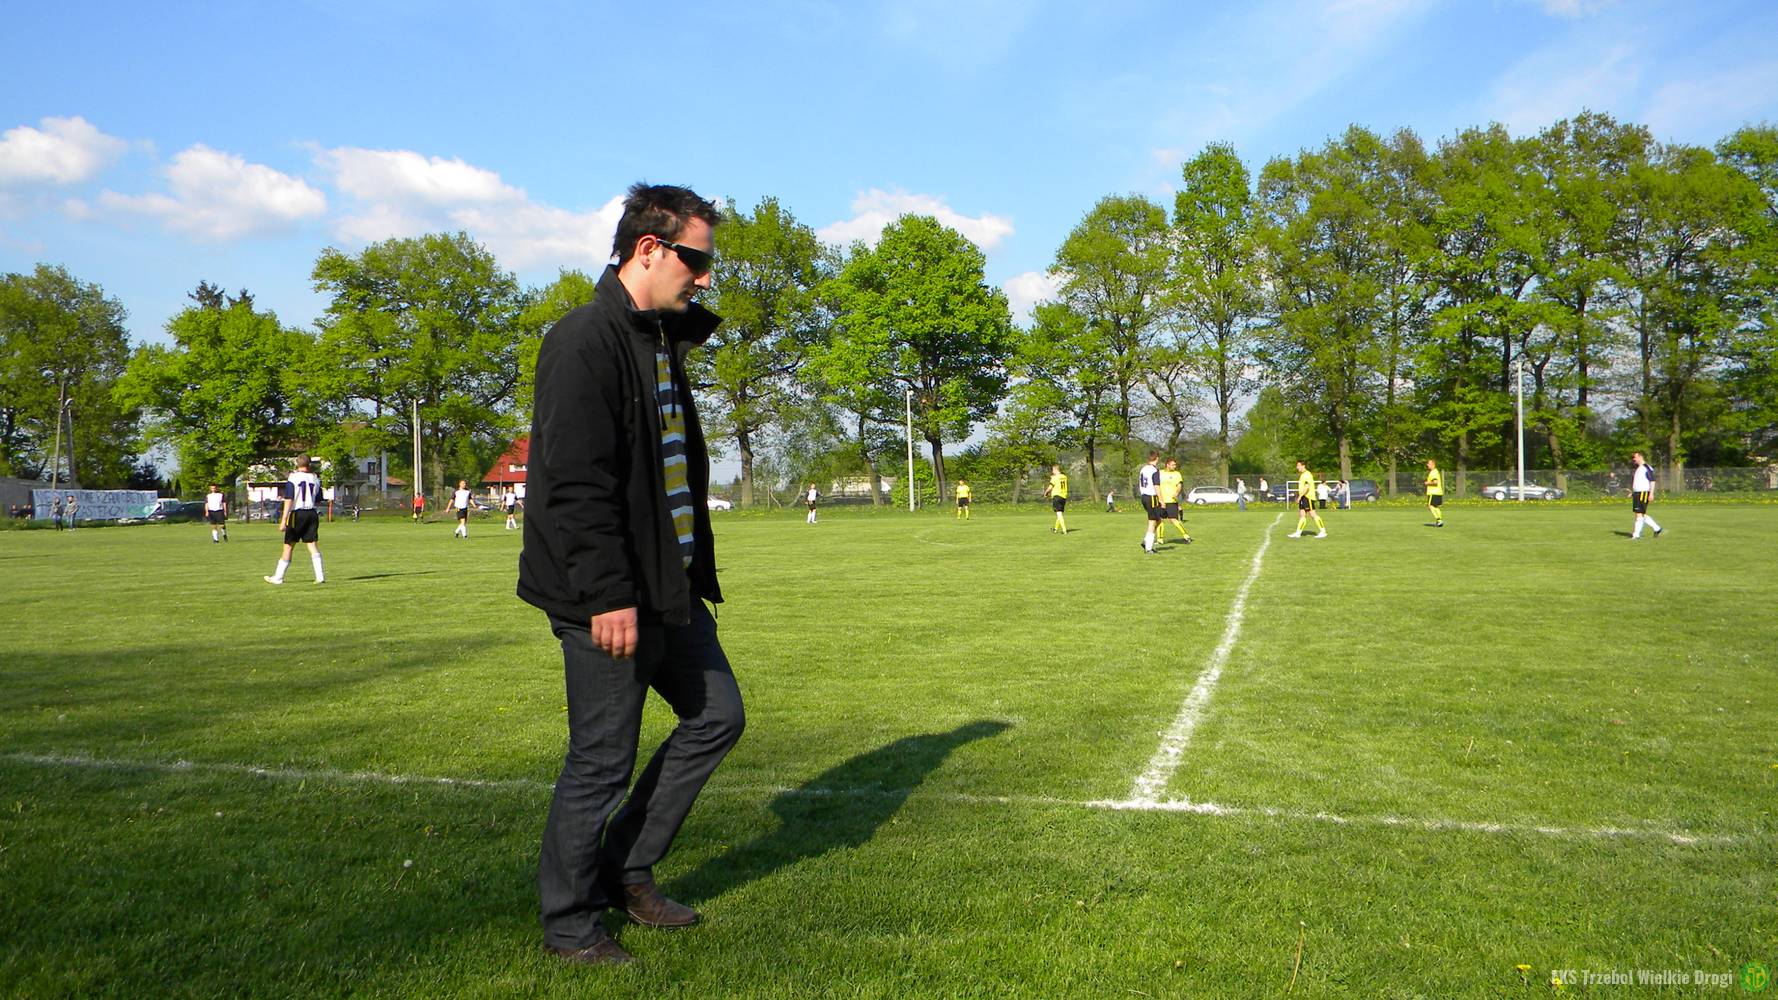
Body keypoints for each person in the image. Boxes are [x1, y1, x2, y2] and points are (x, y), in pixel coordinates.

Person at [517, 183, 742, 968]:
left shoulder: (656, 339)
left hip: (667, 584)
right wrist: (607, 595)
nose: (705, 278)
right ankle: (569, 924)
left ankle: (625, 869)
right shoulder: (584, 341)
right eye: (696, 261)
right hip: (608, 594)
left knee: (717, 716)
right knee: (601, 759)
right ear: (649, 249)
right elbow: (575, 485)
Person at [264, 457, 325, 584]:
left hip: (297, 514)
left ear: (297, 463)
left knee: (288, 546)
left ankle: (278, 577)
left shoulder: (293, 477)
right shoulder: (315, 478)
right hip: (312, 513)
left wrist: (283, 519)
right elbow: (319, 498)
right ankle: (320, 577)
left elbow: (289, 499)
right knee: (312, 544)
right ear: (309, 464)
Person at [1156, 459, 1193, 545]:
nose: (1174, 466)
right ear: (1167, 465)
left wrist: (1176, 493)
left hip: (1171, 500)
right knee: (1159, 520)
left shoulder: (1177, 474)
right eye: (1173, 465)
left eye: (1175, 465)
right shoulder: (1159, 473)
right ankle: (1160, 539)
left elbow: (1179, 485)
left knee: (1173, 519)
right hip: (1161, 500)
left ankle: (1186, 536)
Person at [1630, 452, 1664, 539]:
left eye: (1635, 457)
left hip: (1643, 493)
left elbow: (1652, 480)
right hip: (1638, 493)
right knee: (1641, 514)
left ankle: (1636, 535)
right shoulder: (1639, 468)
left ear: (1640, 457)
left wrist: (1651, 493)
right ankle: (1657, 528)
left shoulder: (1646, 467)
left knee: (1639, 514)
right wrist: (1633, 493)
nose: (1633, 459)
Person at [1289, 461, 1327, 539]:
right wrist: (1300, 496)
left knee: (1313, 514)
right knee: (1302, 514)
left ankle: (1323, 532)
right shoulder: (1302, 475)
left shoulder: (1307, 474)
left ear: (1303, 466)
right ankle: (1298, 533)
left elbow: (1307, 487)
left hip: (1308, 497)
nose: (1297, 467)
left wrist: (1300, 496)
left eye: (1298, 465)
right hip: (1303, 497)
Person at [1137, 451, 1161, 553]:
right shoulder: (1154, 470)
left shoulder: (1143, 469)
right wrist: (1161, 499)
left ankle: (1146, 541)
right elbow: (1156, 486)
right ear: (1157, 458)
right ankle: (1148, 548)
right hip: (1152, 497)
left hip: (1144, 496)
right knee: (1152, 521)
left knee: (1158, 520)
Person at [1045, 463, 1069, 534]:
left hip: (1057, 496)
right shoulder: (1064, 477)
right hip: (1063, 496)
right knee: (1060, 513)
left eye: (1053, 470)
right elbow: (1059, 480)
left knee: (1059, 514)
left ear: (1055, 469)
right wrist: (1053, 477)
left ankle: (1064, 530)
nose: (1052, 472)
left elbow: (1050, 487)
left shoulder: (1054, 478)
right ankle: (1055, 529)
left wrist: (1046, 492)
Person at [1424, 459, 1444, 527]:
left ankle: (1439, 520)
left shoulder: (1433, 472)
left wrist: (1427, 483)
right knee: (1435, 507)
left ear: (1433, 465)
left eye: (1429, 464)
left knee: (1430, 506)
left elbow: (1435, 482)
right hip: (1438, 492)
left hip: (1433, 492)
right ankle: (1439, 520)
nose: (1427, 465)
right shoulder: (1435, 471)